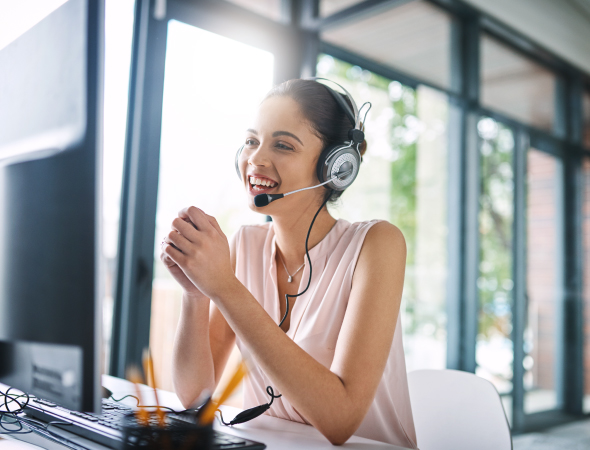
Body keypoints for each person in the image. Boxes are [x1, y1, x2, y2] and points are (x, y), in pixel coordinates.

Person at [160, 79, 417, 448]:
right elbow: (194, 396)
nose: (256, 159)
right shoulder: (246, 245)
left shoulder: (377, 245)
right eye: (251, 141)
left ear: (336, 165)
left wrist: (225, 288)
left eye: (282, 145)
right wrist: (196, 293)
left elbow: (340, 420)